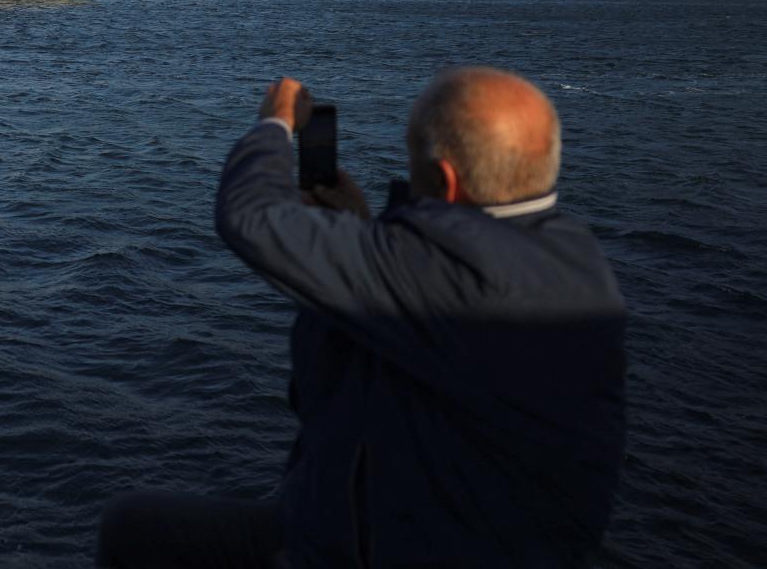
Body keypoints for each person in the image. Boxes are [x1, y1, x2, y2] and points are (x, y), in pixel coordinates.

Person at [99, 68, 627, 569]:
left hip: (398, 549)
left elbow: (250, 217)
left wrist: (275, 123)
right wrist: (359, 226)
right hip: (415, 524)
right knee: (140, 528)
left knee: (131, 531)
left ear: (445, 181)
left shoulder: (451, 274)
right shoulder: (571, 259)